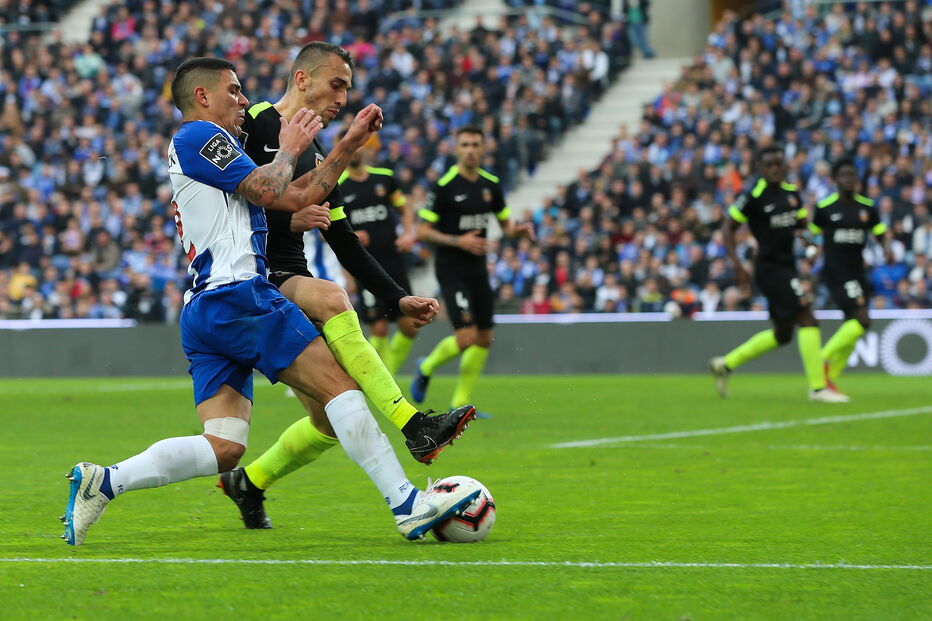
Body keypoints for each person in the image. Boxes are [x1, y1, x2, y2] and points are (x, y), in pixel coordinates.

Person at [61, 57, 479, 546]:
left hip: (206, 311)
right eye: (233, 91)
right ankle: (407, 505)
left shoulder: (222, 153)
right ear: (202, 97)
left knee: (223, 447)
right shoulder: (197, 135)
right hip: (240, 296)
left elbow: (298, 193)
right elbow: (268, 186)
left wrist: (345, 146)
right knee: (341, 387)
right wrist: (288, 148)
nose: (242, 100)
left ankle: (104, 481)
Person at [222, 43, 476, 528]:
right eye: (336, 84)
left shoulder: (319, 154)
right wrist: (286, 214)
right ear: (301, 79)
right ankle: (413, 423)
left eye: (348, 88)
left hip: (283, 276)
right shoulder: (251, 121)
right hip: (249, 273)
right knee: (331, 295)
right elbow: (229, 195)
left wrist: (397, 298)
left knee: (328, 421)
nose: (343, 96)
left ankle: (248, 482)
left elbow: (345, 242)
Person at [411, 126, 535, 415]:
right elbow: (422, 230)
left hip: (478, 269)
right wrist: (459, 240)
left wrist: (519, 232)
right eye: (464, 144)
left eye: (475, 144)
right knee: (466, 337)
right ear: (457, 148)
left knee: (483, 338)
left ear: (483, 148)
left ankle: (459, 405)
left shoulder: (491, 185)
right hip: (451, 269)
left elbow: (505, 228)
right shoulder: (444, 186)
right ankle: (426, 366)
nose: (470, 149)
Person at [709, 146, 847, 403]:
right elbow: (728, 228)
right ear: (760, 169)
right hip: (768, 268)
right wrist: (738, 265)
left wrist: (810, 244)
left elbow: (802, 227)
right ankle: (818, 388)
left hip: (788, 265)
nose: (774, 169)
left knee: (782, 334)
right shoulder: (753, 195)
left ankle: (725, 364)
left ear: (785, 167)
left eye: (778, 164)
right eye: (768, 165)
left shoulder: (793, 193)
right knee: (807, 316)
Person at [338, 140, 420, 376]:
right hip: (365, 266)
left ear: (367, 149)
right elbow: (329, 230)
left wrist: (408, 234)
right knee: (379, 328)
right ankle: (383, 381)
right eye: (349, 146)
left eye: (358, 145)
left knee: (410, 326)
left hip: (394, 262)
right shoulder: (340, 186)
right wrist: (351, 236)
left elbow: (405, 209)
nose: (354, 150)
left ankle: (386, 372)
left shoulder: (384, 179)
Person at [809, 159, 888, 391]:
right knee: (863, 319)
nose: (848, 179)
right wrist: (811, 250)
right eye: (843, 175)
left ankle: (829, 378)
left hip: (857, 272)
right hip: (836, 272)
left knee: (853, 325)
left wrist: (887, 247)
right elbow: (812, 235)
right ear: (834, 180)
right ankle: (822, 360)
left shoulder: (867, 207)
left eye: (852, 175)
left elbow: (880, 232)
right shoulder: (825, 207)